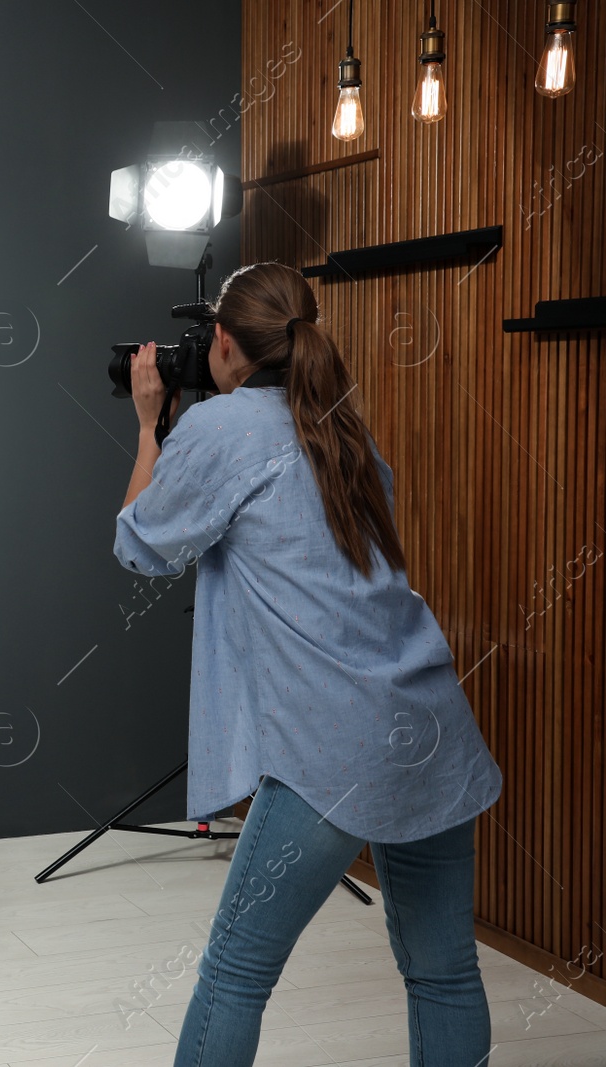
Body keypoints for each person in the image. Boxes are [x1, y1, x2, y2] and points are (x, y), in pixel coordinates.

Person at [112, 262, 503, 1067]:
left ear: (222, 341)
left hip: (336, 749)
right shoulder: (343, 425)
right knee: (444, 974)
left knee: (234, 973)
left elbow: (138, 543)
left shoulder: (221, 429)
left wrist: (153, 425)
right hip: (429, 722)